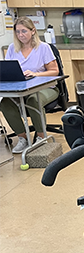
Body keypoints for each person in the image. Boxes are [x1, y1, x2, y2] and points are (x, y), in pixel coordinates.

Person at [0, 16, 60, 154]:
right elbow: (8, 70)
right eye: (18, 32)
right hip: (21, 88)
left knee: (33, 100)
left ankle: (41, 136)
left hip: (46, 88)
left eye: (24, 31)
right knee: (5, 104)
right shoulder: (11, 49)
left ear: (33, 31)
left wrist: (35, 74)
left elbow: (54, 71)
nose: (21, 35)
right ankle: (23, 138)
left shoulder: (43, 48)